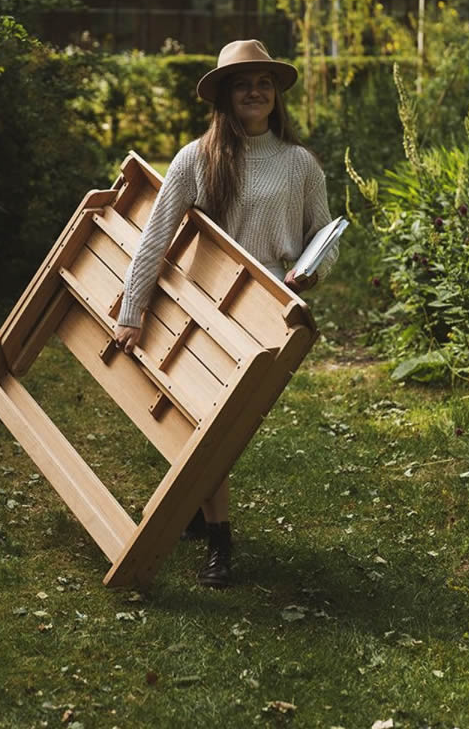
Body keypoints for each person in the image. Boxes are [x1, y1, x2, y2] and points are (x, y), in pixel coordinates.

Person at [112, 39, 339, 588]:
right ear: (225, 96)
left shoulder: (300, 163)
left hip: (266, 308)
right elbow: (155, 238)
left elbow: (324, 235)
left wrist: (311, 272)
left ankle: (196, 508)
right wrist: (131, 309)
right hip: (203, 299)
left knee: (230, 423)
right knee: (208, 421)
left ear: (275, 93)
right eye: (243, 84)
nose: (255, 92)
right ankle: (220, 542)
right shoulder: (196, 158)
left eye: (263, 83)